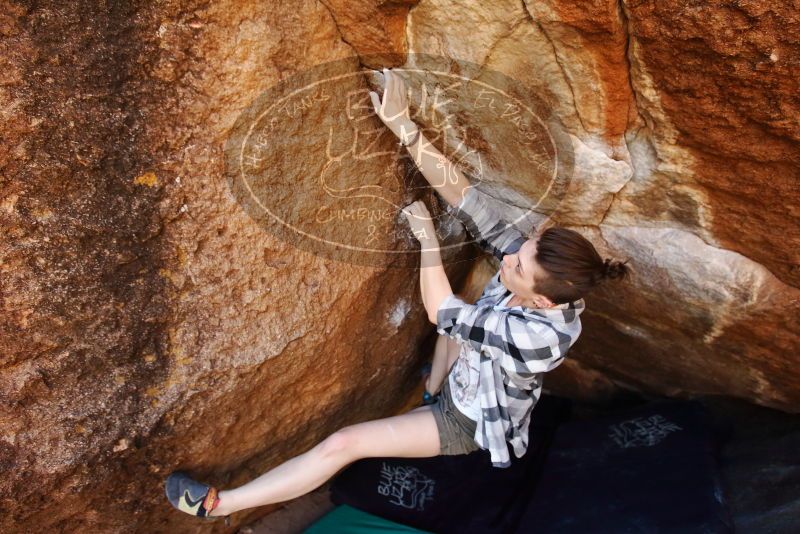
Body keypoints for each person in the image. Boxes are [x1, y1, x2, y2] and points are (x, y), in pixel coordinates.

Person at [164, 68, 629, 523]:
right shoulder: (543, 279)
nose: (509, 258)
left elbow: (442, 313)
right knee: (471, 294)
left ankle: (216, 506)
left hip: (468, 419)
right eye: (521, 251)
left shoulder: (540, 338)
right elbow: (466, 199)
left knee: (344, 444)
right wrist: (403, 126)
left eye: (519, 265)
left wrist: (427, 239)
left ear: (544, 301)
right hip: (462, 369)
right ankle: (431, 387)